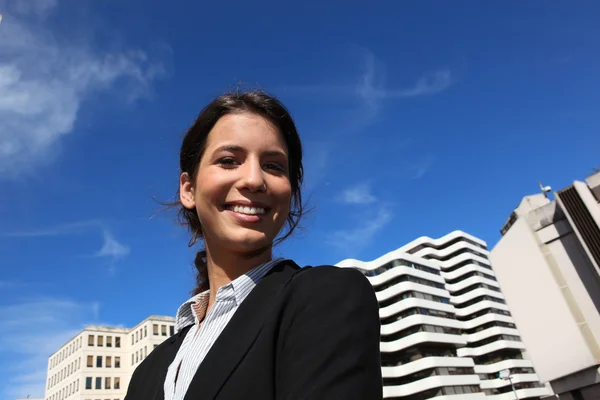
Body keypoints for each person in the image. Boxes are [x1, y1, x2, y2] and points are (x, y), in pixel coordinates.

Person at [125, 90, 383, 400]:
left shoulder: (325, 297)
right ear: (188, 189)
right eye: (229, 160)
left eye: (274, 166)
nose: (253, 180)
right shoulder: (149, 370)